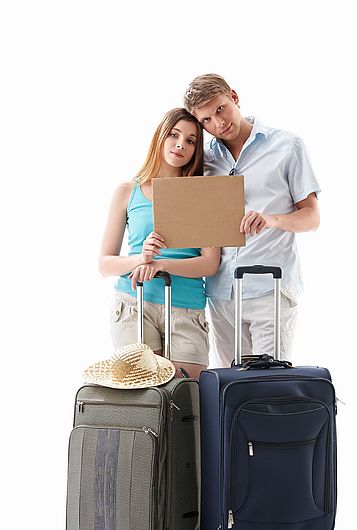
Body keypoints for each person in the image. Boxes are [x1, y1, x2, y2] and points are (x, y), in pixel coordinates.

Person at [183, 74, 321, 367]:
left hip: (269, 289)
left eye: (220, 109)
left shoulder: (287, 146)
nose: (218, 123)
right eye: (206, 120)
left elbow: (312, 217)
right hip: (221, 293)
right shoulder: (205, 161)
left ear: (234, 96)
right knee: (230, 390)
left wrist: (271, 219)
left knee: (269, 386)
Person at [99, 107, 220, 379]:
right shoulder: (127, 192)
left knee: (184, 398)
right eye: (174, 135)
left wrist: (160, 264)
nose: (180, 145)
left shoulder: (202, 195)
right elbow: (105, 264)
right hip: (135, 303)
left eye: (191, 141)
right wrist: (141, 260)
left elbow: (210, 263)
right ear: (160, 137)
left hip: (186, 307)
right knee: (144, 399)